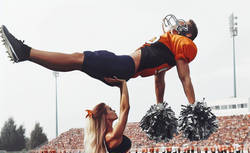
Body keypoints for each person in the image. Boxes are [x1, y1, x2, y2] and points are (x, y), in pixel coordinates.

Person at [0, 14, 198, 104]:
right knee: (78, 62)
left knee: (78, 59)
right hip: (123, 68)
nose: (179, 23)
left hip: (124, 65)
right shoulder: (169, 49)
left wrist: (193, 106)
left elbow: (185, 78)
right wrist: (159, 106)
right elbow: (159, 79)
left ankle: (25, 52)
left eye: (185, 24)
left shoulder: (183, 44)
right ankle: (25, 54)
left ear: (188, 35)